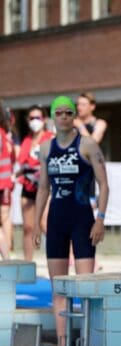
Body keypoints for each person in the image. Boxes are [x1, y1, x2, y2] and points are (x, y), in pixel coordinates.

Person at [34, 96, 109, 346]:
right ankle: (63, 344)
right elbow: (43, 187)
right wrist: (35, 223)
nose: (64, 116)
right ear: (53, 117)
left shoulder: (87, 144)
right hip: (56, 220)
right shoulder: (45, 149)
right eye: (60, 113)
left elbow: (104, 184)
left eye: (69, 112)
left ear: (74, 116)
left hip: (82, 220)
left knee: (84, 288)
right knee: (59, 288)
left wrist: (100, 218)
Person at [16, 105, 54, 261]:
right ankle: (28, 264)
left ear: (44, 120)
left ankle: (62, 257)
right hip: (28, 187)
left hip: (45, 187)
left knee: (45, 224)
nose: (35, 121)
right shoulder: (26, 141)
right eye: (31, 118)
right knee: (28, 228)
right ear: (27, 120)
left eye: (38, 118)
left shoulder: (50, 137)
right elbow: (23, 164)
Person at [0, 102, 13, 259]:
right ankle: (7, 258)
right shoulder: (4, 134)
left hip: (2, 184)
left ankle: (7, 258)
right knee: (4, 220)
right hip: (4, 184)